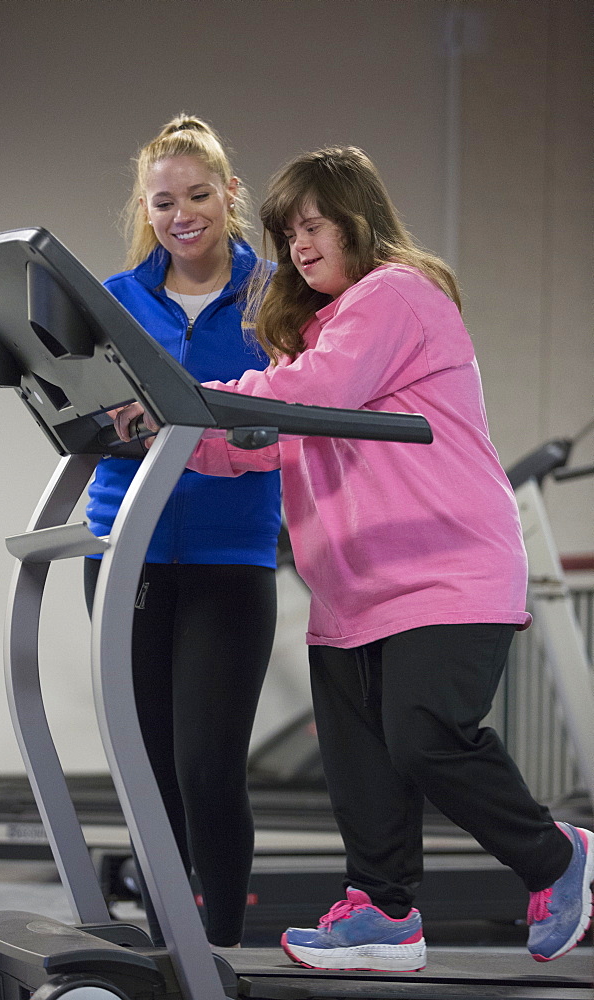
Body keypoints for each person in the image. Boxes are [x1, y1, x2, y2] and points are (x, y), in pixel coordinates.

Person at [115, 145, 594, 971]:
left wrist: (190, 404)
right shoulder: (316, 334)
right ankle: (382, 912)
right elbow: (265, 441)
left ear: (356, 219)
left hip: (443, 574)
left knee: (422, 738)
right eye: (286, 232)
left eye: (313, 224)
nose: (298, 244)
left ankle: (559, 858)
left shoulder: (395, 295)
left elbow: (317, 396)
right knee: (360, 767)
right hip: (352, 587)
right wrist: (177, 437)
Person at [85, 114, 281, 948]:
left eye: (198, 195)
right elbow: (82, 414)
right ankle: (170, 950)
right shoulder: (114, 300)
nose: (182, 214)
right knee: (149, 772)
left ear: (229, 194)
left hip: (231, 558)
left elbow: (296, 412)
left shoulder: (277, 293)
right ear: (145, 205)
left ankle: (225, 954)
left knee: (207, 769)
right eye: (164, 201)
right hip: (123, 550)